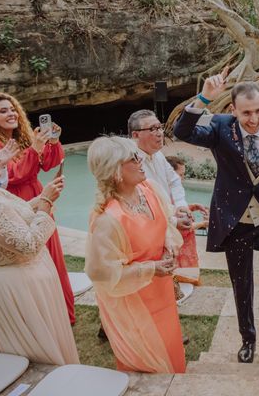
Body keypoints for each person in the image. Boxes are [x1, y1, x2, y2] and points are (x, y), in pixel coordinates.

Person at [173, 67, 259, 364]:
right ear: (233, 110)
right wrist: (204, 97)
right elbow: (182, 131)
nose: (253, 119)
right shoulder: (219, 128)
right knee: (241, 287)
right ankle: (248, 338)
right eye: (246, 114)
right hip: (236, 223)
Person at [0, 137, 79, 365]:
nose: (0, 159)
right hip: (15, 288)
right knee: (35, 354)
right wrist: (46, 205)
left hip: (28, 280)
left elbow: (17, 212)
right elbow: (27, 245)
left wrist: (42, 197)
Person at [85, 136, 185, 373]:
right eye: (133, 158)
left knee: (170, 348)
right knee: (149, 363)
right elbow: (101, 273)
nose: (141, 161)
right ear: (115, 170)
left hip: (161, 292)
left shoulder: (148, 189)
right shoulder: (109, 220)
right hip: (132, 301)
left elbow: (166, 220)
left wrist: (169, 244)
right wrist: (152, 268)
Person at [0, 93, 75, 325]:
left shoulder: (21, 139)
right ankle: (47, 316)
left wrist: (51, 142)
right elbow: (13, 176)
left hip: (38, 195)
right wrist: (34, 148)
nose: (11, 114)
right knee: (34, 254)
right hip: (15, 199)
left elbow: (48, 164)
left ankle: (64, 314)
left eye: (12, 109)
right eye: (3, 111)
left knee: (53, 255)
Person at [129, 109, 207, 289]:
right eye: (152, 129)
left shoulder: (158, 155)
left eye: (160, 127)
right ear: (135, 135)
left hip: (165, 220)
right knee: (152, 276)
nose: (159, 133)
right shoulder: (130, 162)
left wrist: (180, 206)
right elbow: (142, 204)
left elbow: (173, 182)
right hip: (146, 229)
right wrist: (173, 220)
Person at [165, 154, 209, 285]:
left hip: (187, 251)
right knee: (185, 287)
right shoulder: (165, 194)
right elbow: (179, 228)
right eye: (180, 175)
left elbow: (174, 213)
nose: (182, 179)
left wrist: (193, 206)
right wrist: (204, 223)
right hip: (180, 254)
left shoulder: (172, 193)